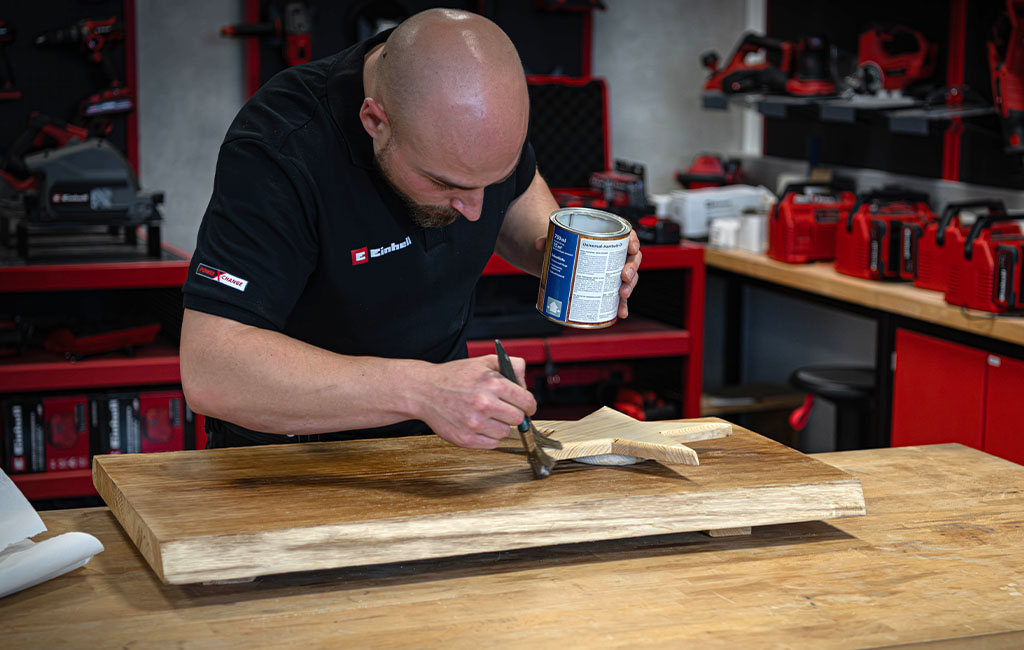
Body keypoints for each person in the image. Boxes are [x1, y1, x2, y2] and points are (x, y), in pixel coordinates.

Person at [179, 8, 642, 450]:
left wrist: (563, 257)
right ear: (375, 121)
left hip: (437, 440)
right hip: (291, 455)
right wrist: (423, 391)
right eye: (446, 184)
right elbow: (212, 370)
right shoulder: (282, 148)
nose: (476, 211)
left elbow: (519, 196)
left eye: (491, 179)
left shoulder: (475, 115)